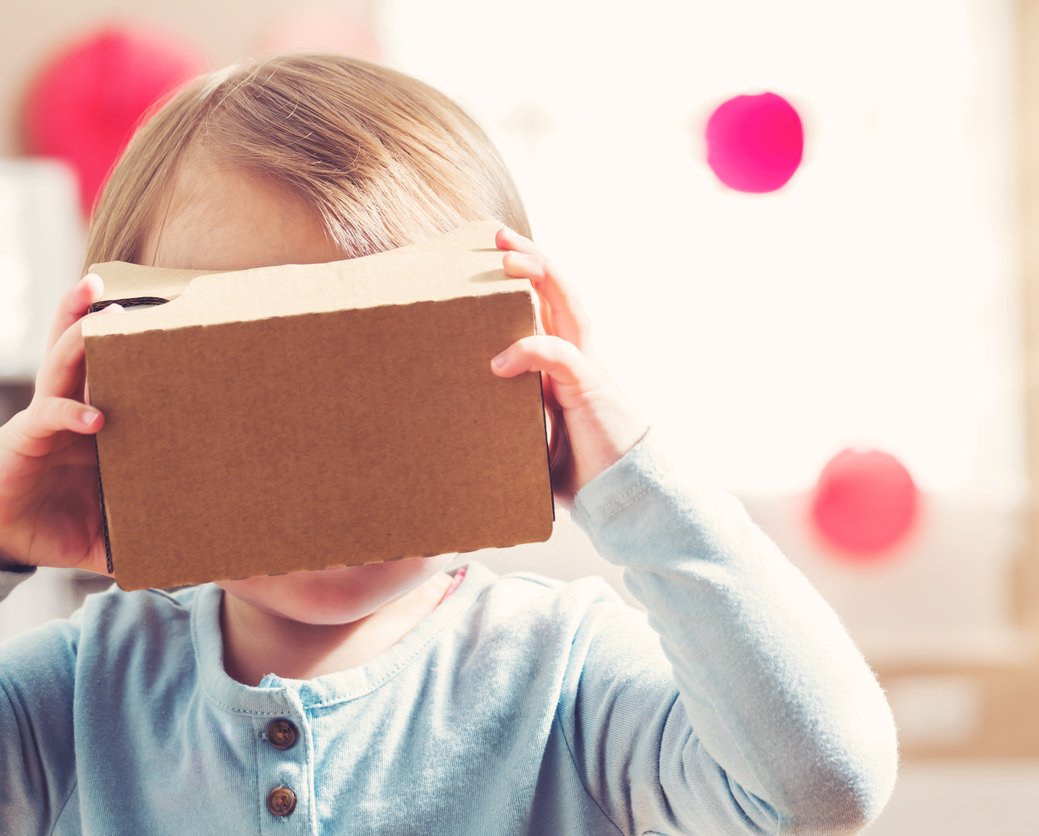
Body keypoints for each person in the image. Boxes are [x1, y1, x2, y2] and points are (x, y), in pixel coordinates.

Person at [0, 53, 898, 834]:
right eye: (251, 381)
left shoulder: (567, 676)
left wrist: (633, 483)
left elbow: (817, 790)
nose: (326, 456)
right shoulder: (77, 693)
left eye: (396, 369)